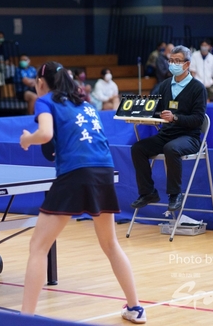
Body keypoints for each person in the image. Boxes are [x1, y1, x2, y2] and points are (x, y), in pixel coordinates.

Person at [19, 62, 145, 323]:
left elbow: (45, 134)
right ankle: (135, 308)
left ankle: (25, 318)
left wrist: (26, 139)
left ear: (42, 82)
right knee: (110, 244)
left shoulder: (45, 101)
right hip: (104, 170)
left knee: (38, 246)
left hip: (75, 173)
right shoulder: (87, 105)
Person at [130, 45, 207, 213]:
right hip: (166, 134)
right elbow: (157, 111)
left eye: (177, 61)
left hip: (189, 137)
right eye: (171, 61)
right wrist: (141, 116)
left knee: (170, 149)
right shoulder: (165, 85)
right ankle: (148, 192)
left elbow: (198, 120)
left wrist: (175, 118)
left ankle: (175, 194)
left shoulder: (198, 88)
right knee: (138, 148)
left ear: (186, 64)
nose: (173, 64)